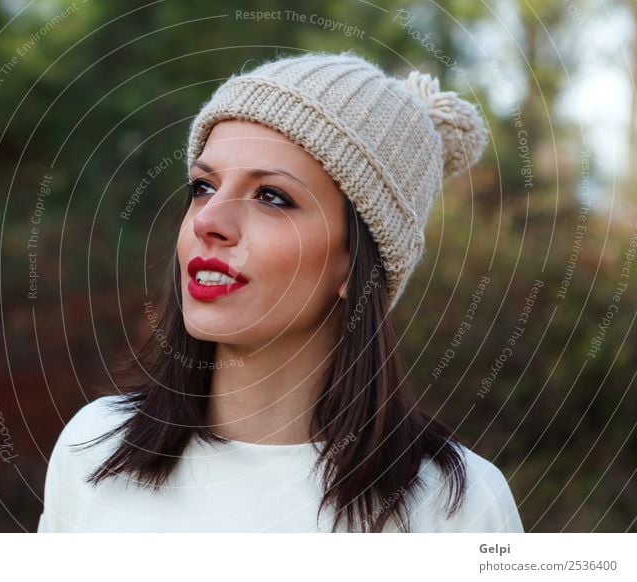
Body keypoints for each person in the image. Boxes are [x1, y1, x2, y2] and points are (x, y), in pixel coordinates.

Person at [37, 50, 524, 533]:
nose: (208, 221)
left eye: (272, 196)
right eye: (203, 187)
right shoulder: (94, 449)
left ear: (355, 264)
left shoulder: (457, 508)